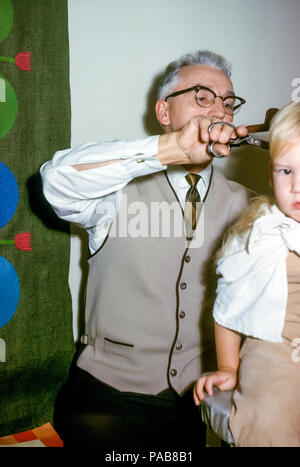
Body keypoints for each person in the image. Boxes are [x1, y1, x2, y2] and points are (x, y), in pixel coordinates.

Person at [40, 50, 252, 448]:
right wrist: (168, 150)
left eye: (227, 102)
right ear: (164, 112)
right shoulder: (112, 192)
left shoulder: (251, 208)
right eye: (202, 97)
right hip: (106, 399)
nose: (219, 111)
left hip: (195, 403)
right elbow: (55, 182)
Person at [193, 101, 300, 447]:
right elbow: (228, 310)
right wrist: (228, 369)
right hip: (275, 344)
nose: (297, 186)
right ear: (271, 174)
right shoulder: (258, 232)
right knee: (272, 415)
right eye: (287, 172)